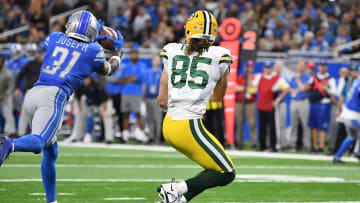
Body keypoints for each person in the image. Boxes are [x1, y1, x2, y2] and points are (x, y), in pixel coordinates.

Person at [0, 10, 124, 203]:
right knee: (39, 143)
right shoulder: (94, 51)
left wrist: (91, 36)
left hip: (33, 94)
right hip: (54, 96)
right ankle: (8, 144)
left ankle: (52, 200)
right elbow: (108, 70)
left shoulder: (54, 37)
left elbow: (68, 45)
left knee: (51, 151)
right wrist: (118, 52)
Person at [157, 10, 235, 203]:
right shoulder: (220, 55)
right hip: (189, 125)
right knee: (226, 172)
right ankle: (175, 189)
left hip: (169, 125)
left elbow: (162, 100)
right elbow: (217, 98)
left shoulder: (171, 50)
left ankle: (177, 200)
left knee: (212, 168)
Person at [254, 62, 289, 152]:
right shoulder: (259, 77)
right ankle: (262, 146)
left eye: (269, 68)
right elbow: (253, 87)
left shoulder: (277, 78)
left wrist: (278, 99)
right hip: (261, 105)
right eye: (266, 67)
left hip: (270, 106)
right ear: (264, 68)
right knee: (262, 127)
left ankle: (274, 146)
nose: (267, 69)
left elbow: (286, 88)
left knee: (273, 127)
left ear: (271, 69)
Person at [67, 76, 114, 144]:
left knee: (107, 118)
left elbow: (104, 99)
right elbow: (78, 98)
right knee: (80, 115)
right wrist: (80, 110)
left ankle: (109, 138)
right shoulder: (81, 85)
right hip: (92, 104)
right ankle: (78, 136)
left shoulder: (97, 85)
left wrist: (105, 110)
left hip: (104, 103)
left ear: (89, 79)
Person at [119, 49, 148, 143]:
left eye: (135, 54)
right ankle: (125, 136)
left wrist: (129, 78)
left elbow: (140, 77)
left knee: (138, 114)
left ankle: (141, 135)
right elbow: (121, 79)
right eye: (132, 54)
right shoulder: (126, 66)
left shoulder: (142, 66)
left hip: (136, 93)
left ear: (137, 55)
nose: (133, 56)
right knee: (125, 114)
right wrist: (132, 78)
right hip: (126, 92)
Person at [15, 47, 44, 137]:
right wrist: (17, 88)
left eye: (41, 53)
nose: (39, 55)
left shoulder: (47, 64)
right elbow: (20, 75)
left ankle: (37, 133)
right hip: (30, 90)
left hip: (43, 91)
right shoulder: (31, 64)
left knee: (40, 112)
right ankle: (20, 133)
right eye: (38, 53)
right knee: (25, 111)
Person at [308, 62, 337, 153]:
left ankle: (321, 146)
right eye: (321, 66)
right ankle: (315, 146)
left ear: (327, 67)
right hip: (314, 103)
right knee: (314, 126)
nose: (322, 68)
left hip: (324, 103)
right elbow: (308, 88)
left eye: (324, 66)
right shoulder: (313, 78)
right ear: (319, 67)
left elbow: (334, 92)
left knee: (323, 126)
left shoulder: (330, 79)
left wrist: (326, 89)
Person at [332, 77, 360, 164]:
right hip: (354, 115)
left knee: (352, 137)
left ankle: (337, 157)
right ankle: (358, 152)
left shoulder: (355, 82)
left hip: (347, 114)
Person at [288, 61, 312, 151]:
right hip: (294, 101)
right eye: (299, 66)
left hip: (303, 101)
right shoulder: (293, 76)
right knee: (293, 124)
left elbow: (305, 88)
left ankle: (307, 145)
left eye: (302, 66)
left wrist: (298, 80)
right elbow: (289, 88)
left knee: (305, 125)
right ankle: (292, 145)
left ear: (304, 67)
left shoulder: (307, 77)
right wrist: (296, 90)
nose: (300, 67)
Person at [235, 60, 257, 150]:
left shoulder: (254, 78)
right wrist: (246, 88)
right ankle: (239, 142)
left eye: (250, 67)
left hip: (250, 103)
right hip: (239, 103)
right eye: (247, 67)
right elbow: (235, 88)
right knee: (239, 123)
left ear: (252, 68)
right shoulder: (240, 77)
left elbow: (254, 90)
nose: (248, 69)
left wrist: (248, 84)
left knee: (252, 123)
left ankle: (253, 143)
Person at [143, 56, 163, 144]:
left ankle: (157, 137)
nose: (156, 62)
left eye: (158, 60)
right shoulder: (148, 72)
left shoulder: (161, 73)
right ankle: (150, 137)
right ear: (152, 62)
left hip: (157, 98)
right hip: (148, 97)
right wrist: (143, 97)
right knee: (149, 119)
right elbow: (144, 85)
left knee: (157, 119)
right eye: (155, 60)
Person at [0, 55, 16, 137]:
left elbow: (11, 87)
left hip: (6, 96)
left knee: (8, 113)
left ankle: (11, 132)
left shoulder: (8, 73)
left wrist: (3, 95)